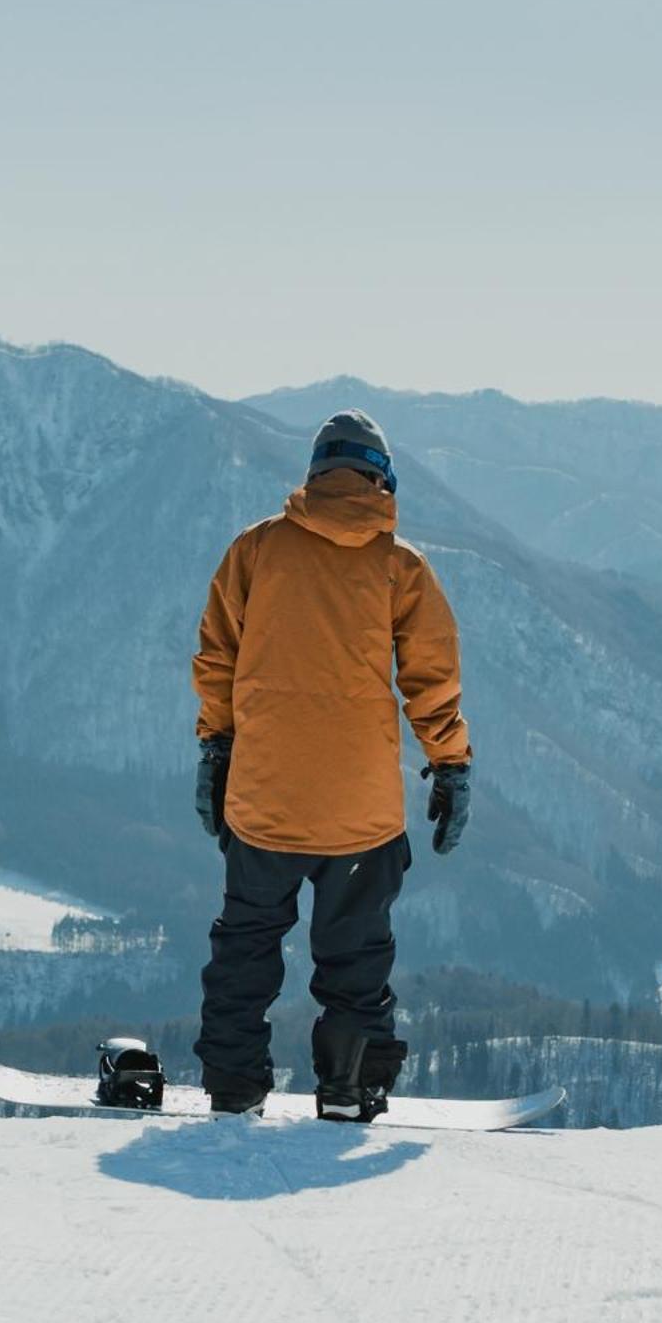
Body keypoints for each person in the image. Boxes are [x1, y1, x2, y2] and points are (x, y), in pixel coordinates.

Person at [190, 409, 472, 1121]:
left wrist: (215, 748)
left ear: (314, 475)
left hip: (264, 802)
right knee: (355, 958)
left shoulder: (254, 552)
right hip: (361, 813)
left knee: (246, 948)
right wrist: (450, 766)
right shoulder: (399, 568)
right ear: (382, 481)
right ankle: (350, 1088)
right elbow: (430, 680)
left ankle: (233, 1087)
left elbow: (217, 659)